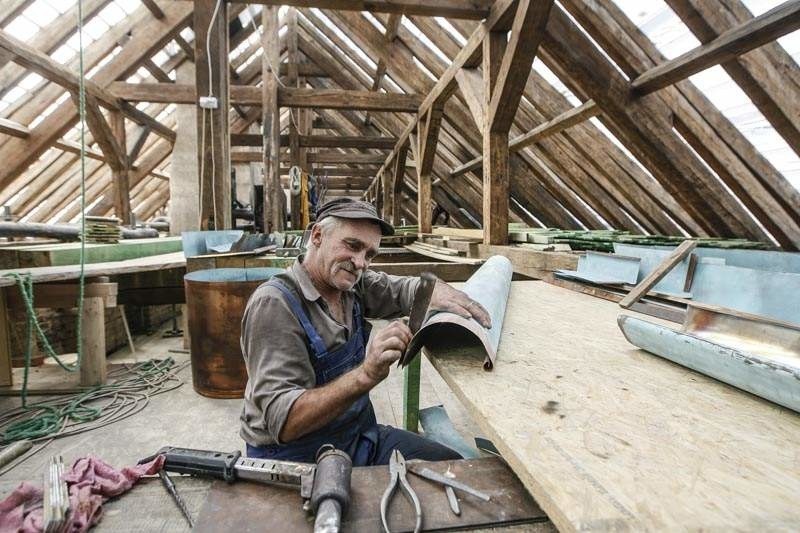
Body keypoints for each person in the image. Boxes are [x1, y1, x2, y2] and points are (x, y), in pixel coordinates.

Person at [239, 198, 492, 466]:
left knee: (454, 467)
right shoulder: (275, 305)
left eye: (370, 254)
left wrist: (433, 291)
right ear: (317, 236)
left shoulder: (350, 286)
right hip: (299, 457)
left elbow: (399, 290)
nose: (360, 263)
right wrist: (366, 374)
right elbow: (285, 422)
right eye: (352, 246)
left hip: (357, 436)